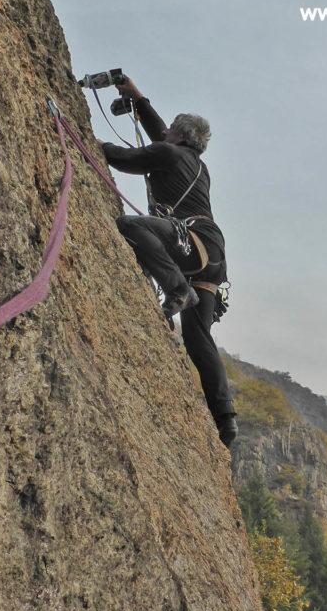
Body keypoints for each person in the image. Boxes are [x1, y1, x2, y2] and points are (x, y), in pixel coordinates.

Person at [98, 77, 237, 448]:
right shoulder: (193, 162)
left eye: (172, 128)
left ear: (179, 135)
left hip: (189, 241)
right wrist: (138, 98)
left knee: (129, 225)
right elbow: (161, 132)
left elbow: (119, 157)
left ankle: (177, 288)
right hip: (211, 253)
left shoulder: (168, 153)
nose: (166, 131)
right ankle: (225, 421)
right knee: (197, 338)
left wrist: (92, 141)